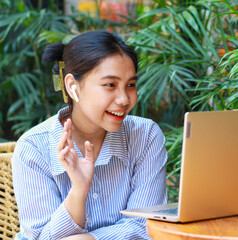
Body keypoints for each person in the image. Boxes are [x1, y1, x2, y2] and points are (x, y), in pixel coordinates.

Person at [12, 30, 167, 239]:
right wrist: (78, 190)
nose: (124, 99)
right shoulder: (33, 148)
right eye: (110, 85)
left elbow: (147, 224)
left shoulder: (145, 136)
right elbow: (39, 237)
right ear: (72, 86)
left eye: (130, 85)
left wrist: (90, 239)